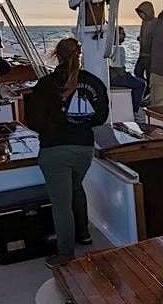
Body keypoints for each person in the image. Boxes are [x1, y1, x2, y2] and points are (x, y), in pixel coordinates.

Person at [24, 37, 109, 268]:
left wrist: (52, 127)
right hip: (84, 150)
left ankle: (65, 253)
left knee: (61, 203)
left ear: (57, 56)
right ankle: (84, 234)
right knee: (75, 187)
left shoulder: (46, 84)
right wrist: (80, 122)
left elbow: (32, 119)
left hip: (55, 151)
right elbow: (100, 117)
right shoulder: (94, 82)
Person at [108, 26, 146, 114]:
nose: (125, 36)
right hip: (116, 78)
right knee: (141, 84)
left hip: (113, 77)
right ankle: (134, 110)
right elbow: (118, 69)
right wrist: (126, 74)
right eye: (122, 34)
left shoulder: (109, 47)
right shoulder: (116, 48)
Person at [133, 1, 156, 83]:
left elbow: (154, 37)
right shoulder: (144, 22)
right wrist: (141, 39)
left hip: (150, 55)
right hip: (142, 54)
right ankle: (145, 86)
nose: (140, 15)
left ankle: (148, 89)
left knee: (149, 74)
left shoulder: (155, 22)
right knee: (137, 71)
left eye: (141, 13)